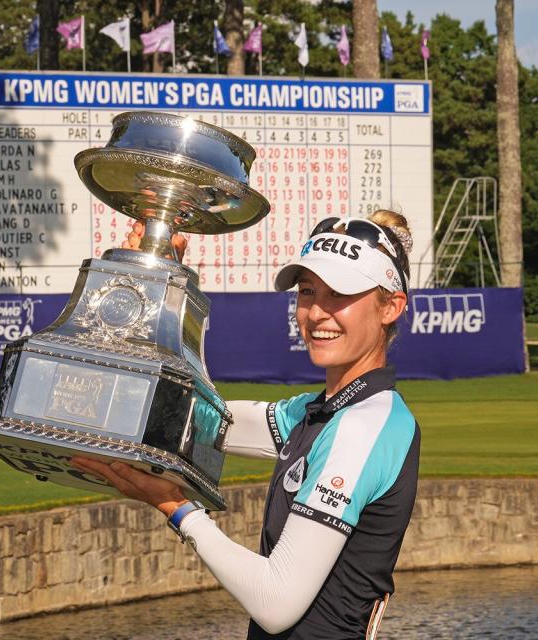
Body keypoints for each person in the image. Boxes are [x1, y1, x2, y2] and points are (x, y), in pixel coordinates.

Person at [74, 211, 421, 639]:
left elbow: (275, 603)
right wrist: (163, 282)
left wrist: (177, 508)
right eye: (308, 291)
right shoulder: (319, 412)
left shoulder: (365, 424)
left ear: (391, 307)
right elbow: (191, 414)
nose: (316, 312)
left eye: (339, 294)